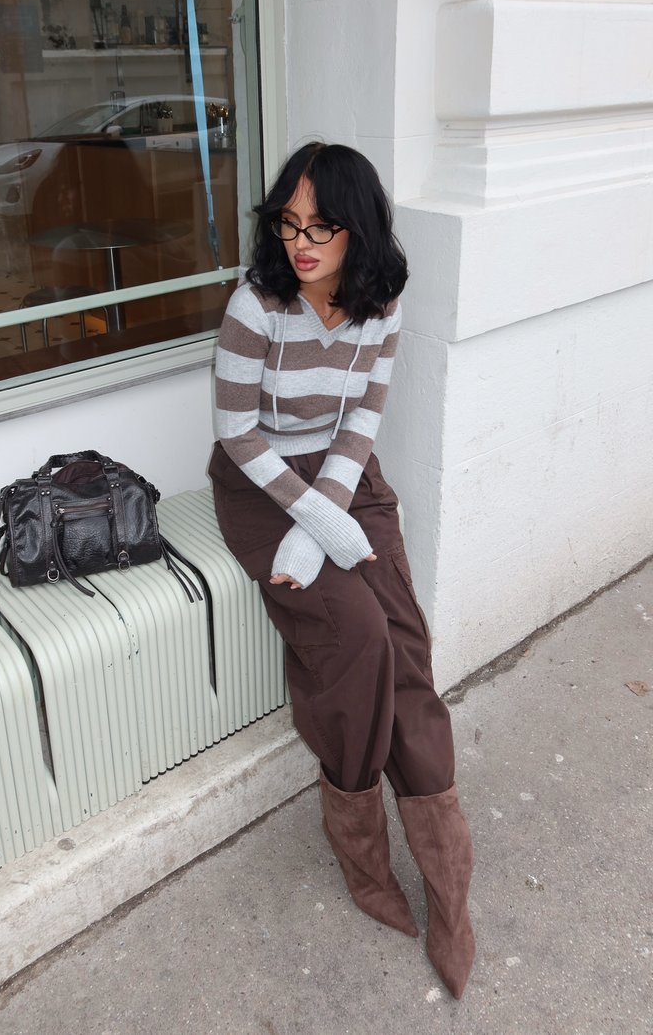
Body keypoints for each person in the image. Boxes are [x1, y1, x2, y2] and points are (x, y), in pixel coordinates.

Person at [208, 142, 475, 998]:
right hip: (260, 487)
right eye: (288, 225)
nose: (301, 244)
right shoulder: (256, 306)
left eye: (320, 226)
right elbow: (237, 435)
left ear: (359, 230)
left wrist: (328, 509)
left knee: (406, 648)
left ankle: (449, 891)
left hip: (344, 475)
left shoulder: (382, 301)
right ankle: (365, 866)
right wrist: (305, 523)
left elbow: (365, 411)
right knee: (356, 643)